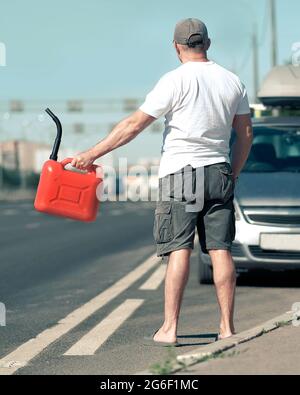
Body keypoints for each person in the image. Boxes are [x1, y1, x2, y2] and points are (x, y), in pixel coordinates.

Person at [71, 18, 253, 345]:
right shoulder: (232, 82)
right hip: (218, 172)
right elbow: (246, 135)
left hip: (181, 173)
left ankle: (170, 329)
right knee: (220, 250)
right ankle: (227, 328)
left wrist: (92, 153)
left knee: (179, 249)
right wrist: (232, 172)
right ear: (208, 44)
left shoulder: (173, 81)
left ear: (176, 47)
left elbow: (132, 126)